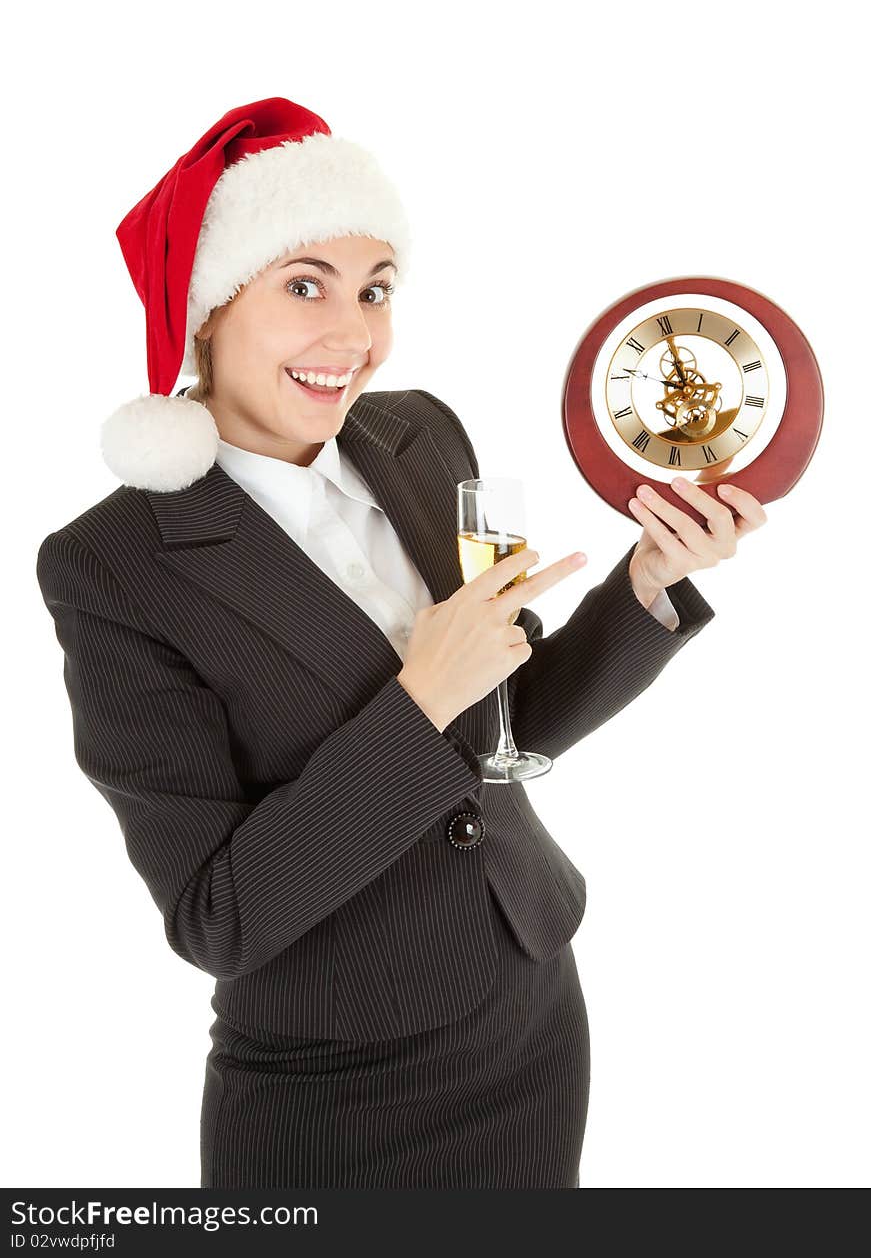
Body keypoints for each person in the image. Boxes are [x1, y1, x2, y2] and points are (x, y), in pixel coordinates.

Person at [35, 98, 765, 1190]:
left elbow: (505, 724)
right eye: (303, 286)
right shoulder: (115, 564)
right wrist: (417, 699)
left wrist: (647, 585)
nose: (353, 336)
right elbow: (215, 913)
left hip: (530, 1012)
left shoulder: (423, 433)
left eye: (375, 289)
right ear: (203, 309)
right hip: (334, 1088)